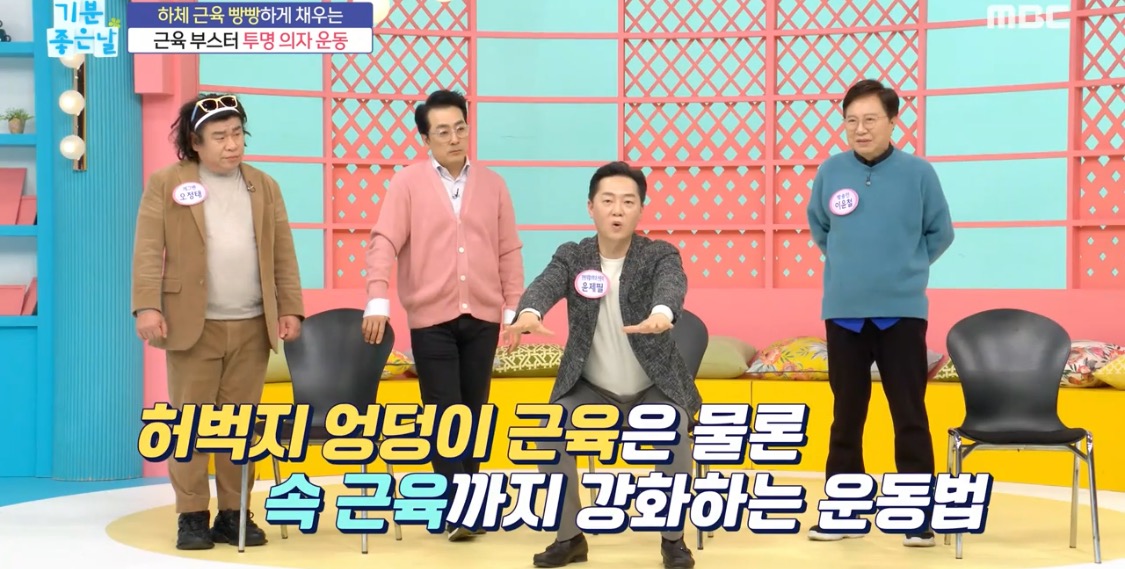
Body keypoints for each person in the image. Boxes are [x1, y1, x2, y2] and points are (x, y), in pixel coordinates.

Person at [131, 93, 305, 550]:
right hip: (193, 324)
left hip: (252, 324)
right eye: (220, 136)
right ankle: (191, 515)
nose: (232, 144)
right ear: (195, 142)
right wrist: (147, 306)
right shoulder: (167, 182)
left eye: (237, 134)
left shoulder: (264, 186)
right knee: (191, 424)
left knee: (239, 425)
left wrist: (290, 307)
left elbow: (282, 252)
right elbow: (148, 248)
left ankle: (234, 513)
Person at [505, 161, 700, 569]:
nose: (617, 210)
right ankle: (569, 538)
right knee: (548, 430)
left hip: (653, 389)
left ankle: (673, 540)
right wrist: (529, 312)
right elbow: (545, 284)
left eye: (628, 202)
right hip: (590, 390)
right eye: (608, 201)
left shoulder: (658, 254)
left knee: (673, 431)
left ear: (640, 209)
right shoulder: (573, 256)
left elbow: (672, 283)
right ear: (590, 207)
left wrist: (662, 312)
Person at [361, 89, 525, 541]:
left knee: (473, 411)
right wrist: (377, 298)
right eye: (442, 132)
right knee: (444, 413)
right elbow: (383, 242)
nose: (454, 138)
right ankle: (458, 509)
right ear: (425, 139)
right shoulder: (407, 183)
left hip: (484, 317)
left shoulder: (493, 184)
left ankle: (468, 506)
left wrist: (513, 308)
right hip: (430, 319)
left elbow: (508, 250)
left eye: (460, 128)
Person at [805, 79, 955, 547]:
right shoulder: (830, 171)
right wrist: (852, 267)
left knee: (908, 413)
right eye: (851, 120)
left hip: (902, 314)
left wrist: (905, 268)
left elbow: (940, 232)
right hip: (844, 313)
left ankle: (917, 516)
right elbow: (821, 228)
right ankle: (843, 513)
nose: (860, 129)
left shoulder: (919, 173)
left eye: (870, 119)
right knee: (846, 417)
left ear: (893, 122)